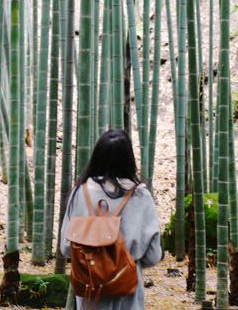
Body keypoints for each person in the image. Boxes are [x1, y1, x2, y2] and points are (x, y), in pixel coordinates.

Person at [60, 129, 164, 309]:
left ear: (97, 157)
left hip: (89, 292)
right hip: (127, 290)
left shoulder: (80, 193)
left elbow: (66, 248)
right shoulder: (140, 196)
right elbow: (153, 256)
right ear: (129, 159)